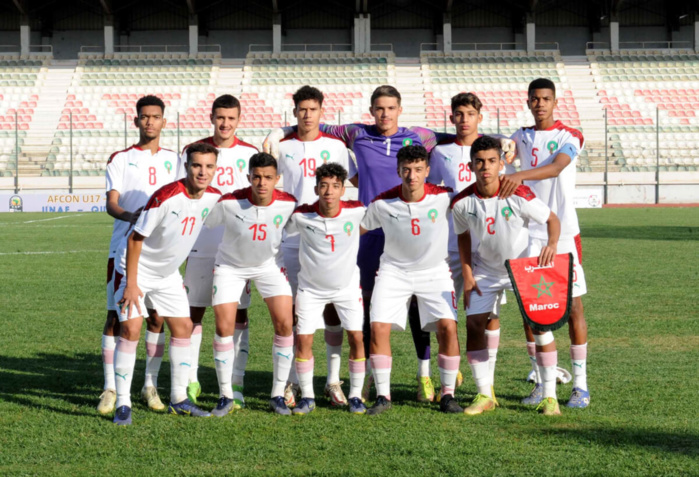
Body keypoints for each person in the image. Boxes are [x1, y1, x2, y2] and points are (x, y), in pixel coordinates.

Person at [265, 85, 444, 403]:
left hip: (406, 231)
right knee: (360, 307)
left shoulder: (418, 136)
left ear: (400, 109)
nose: (385, 113)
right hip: (363, 232)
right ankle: (362, 381)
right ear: (371, 110)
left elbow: (449, 137)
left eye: (391, 107)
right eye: (379, 108)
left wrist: (500, 140)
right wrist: (278, 130)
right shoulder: (354, 134)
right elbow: (312, 123)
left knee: (418, 305)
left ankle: (424, 376)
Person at [111, 142, 222, 425]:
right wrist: (132, 284)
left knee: (183, 328)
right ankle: (123, 404)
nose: (202, 172)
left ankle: (178, 399)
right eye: (196, 165)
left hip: (167, 274)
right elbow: (135, 239)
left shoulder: (214, 198)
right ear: (186, 167)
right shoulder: (165, 197)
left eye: (209, 166)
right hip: (135, 267)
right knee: (131, 329)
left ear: (215, 169)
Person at [451, 136, 562, 415]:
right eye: (479, 162)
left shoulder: (518, 193)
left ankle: (550, 397)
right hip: (485, 272)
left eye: (491, 161)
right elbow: (463, 237)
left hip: (522, 269)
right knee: (475, 325)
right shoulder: (462, 202)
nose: (485, 167)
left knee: (539, 326)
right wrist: (467, 273)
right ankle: (484, 394)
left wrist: (551, 245)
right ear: (471, 165)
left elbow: (552, 220)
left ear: (501, 163)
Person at [499, 78, 590, 409]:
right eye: (535, 99)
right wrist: (504, 145)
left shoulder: (571, 136)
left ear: (555, 103)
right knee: (530, 311)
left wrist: (519, 175)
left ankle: (580, 385)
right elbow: (504, 149)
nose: (540, 104)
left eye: (546, 99)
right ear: (528, 102)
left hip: (563, 233)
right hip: (528, 234)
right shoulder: (521, 136)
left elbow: (556, 168)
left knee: (574, 307)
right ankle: (541, 379)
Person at [361, 145, 462, 415]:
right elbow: (356, 229)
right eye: (406, 169)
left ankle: (448, 394)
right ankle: (383, 396)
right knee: (378, 327)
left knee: (448, 328)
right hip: (394, 271)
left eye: (418, 170)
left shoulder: (444, 197)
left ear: (428, 171)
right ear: (398, 171)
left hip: (434, 271)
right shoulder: (382, 203)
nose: (412, 175)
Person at [98, 95, 180, 415]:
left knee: (157, 318)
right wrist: (133, 217)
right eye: (144, 117)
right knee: (116, 319)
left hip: (161, 254)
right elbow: (111, 204)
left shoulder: (175, 160)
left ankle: (149, 384)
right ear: (136, 121)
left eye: (155, 117)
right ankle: (110, 387)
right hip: (122, 249)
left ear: (163, 121)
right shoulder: (120, 159)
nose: (149, 122)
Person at [179, 94, 258, 408]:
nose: (225, 124)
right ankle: (191, 379)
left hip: (238, 252)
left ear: (239, 120)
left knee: (238, 315)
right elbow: (183, 199)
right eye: (220, 117)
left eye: (231, 118)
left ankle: (236, 383)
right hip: (200, 245)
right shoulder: (193, 152)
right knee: (193, 314)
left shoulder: (250, 154)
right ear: (211, 117)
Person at [205, 153, 297, 416]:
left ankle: (277, 394)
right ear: (249, 177)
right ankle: (226, 396)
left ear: (277, 179)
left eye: (268, 177)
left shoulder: (289, 203)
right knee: (224, 327)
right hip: (230, 267)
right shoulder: (230, 202)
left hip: (269, 267)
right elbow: (204, 222)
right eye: (256, 176)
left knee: (284, 324)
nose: (262, 183)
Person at [277, 86, 352, 407]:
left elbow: (355, 183)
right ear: (294, 112)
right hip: (292, 240)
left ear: (322, 111)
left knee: (333, 311)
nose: (307, 115)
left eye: (313, 109)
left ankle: (333, 381)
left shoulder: (336, 147)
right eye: (302, 109)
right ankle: (293, 381)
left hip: (330, 242)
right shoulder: (281, 146)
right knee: (296, 314)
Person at [284, 163, 368, 415]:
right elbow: (281, 231)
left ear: (343, 189)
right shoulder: (301, 215)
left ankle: (354, 395)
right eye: (323, 185)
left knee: (356, 338)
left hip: (347, 288)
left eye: (335, 186)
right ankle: (307, 396)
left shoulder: (357, 211)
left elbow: (376, 222)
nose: (329, 191)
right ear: (316, 188)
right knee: (304, 340)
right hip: (310, 290)